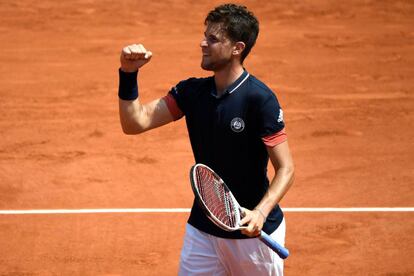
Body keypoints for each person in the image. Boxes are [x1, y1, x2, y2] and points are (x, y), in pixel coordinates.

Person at [117, 3, 294, 275]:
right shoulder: (191, 92)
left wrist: (260, 212)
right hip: (203, 229)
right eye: (205, 35)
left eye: (213, 39)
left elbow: (286, 168)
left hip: (252, 236)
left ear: (237, 48)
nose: (203, 43)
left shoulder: (259, 99)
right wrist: (129, 74)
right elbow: (135, 123)